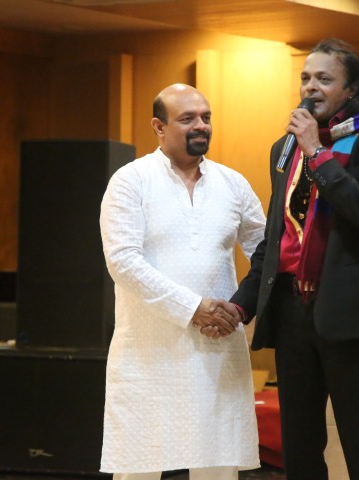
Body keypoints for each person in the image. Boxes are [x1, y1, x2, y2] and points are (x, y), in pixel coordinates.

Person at [221, 38, 359, 480]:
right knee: (300, 445)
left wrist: (316, 152)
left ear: (350, 89)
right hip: (291, 310)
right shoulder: (285, 147)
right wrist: (242, 303)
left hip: (347, 311)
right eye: (306, 78)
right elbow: (277, 238)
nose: (311, 87)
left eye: (324, 79)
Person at [99, 83, 266, 480]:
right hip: (148, 349)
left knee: (217, 461)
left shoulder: (233, 183)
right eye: (187, 118)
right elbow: (123, 261)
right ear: (158, 127)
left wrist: (239, 309)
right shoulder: (131, 180)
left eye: (206, 117)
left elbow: (267, 252)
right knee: (139, 463)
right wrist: (191, 308)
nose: (201, 125)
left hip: (217, 344)